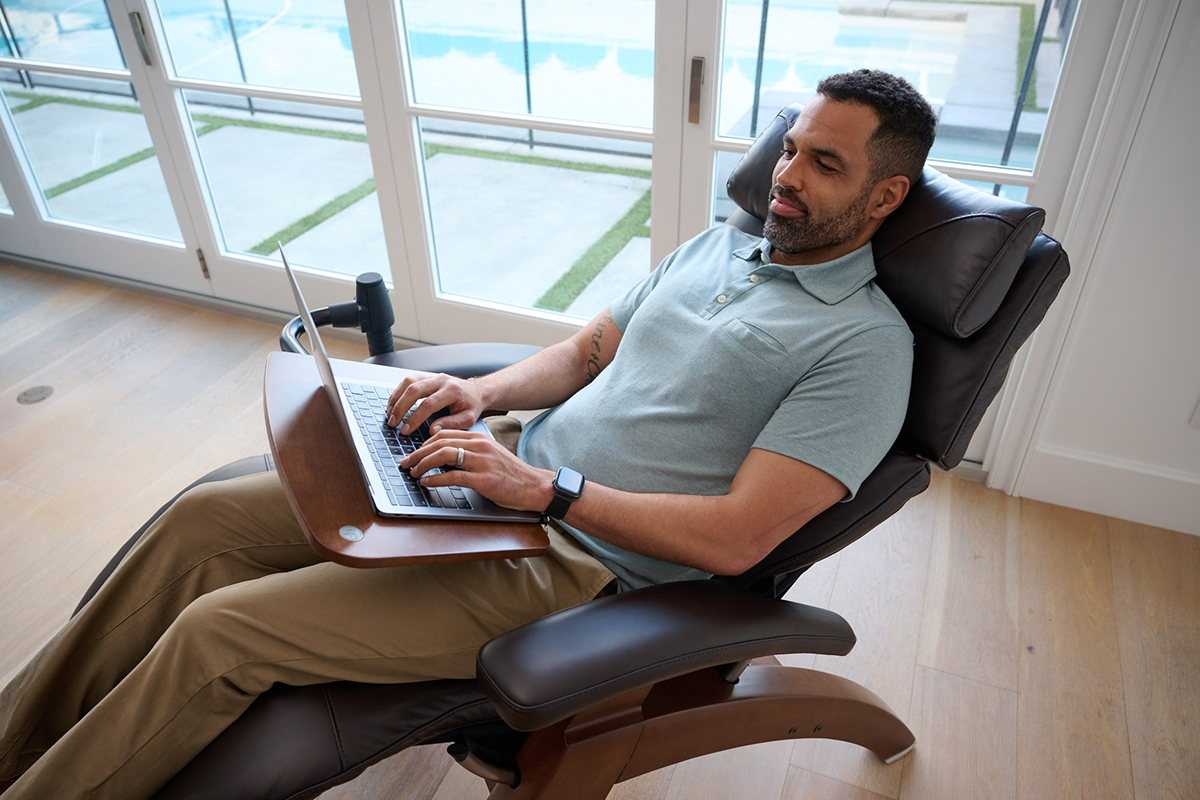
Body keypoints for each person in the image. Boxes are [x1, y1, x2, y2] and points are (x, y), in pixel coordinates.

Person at [0, 68, 937, 799]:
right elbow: (585, 352)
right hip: (493, 481)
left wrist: (548, 493)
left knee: (222, 633)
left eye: (826, 165)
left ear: (886, 197)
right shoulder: (722, 243)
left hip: (573, 568)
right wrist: (478, 396)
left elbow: (739, 538)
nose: (785, 177)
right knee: (200, 521)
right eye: (790, 150)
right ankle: (16, 741)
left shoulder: (864, 348)